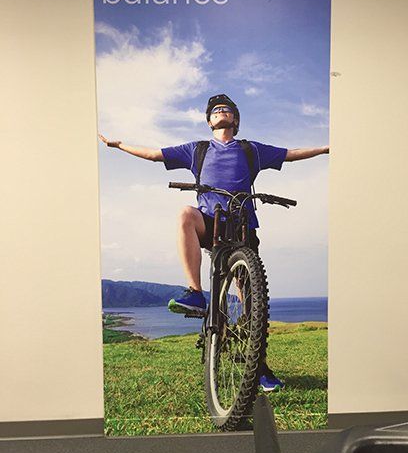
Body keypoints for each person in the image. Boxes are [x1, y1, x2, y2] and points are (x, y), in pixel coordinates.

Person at [99, 93, 329, 391]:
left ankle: (258, 366)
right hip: (210, 223)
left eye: (227, 109)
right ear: (209, 121)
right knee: (185, 214)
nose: (221, 111)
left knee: (251, 300)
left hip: (243, 225)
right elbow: (155, 154)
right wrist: (119, 145)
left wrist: (325, 148)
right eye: (215, 110)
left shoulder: (251, 149)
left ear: (235, 119)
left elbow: (290, 153)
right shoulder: (197, 149)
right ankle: (195, 293)